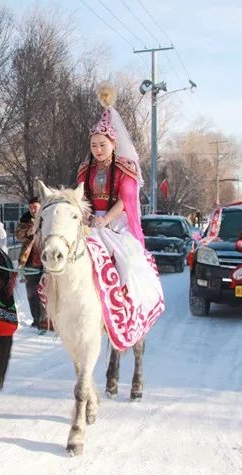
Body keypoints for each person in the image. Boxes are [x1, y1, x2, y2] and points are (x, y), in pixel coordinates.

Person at [76, 83, 163, 331]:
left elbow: (126, 201)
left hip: (116, 221)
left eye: (102, 145)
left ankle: (126, 302)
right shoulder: (86, 169)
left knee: (126, 260)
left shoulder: (125, 169)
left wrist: (105, 220)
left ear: (113, 143)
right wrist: (88, 217)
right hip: (90, 221)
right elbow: (81, 198)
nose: (98, 150)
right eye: (94, 145)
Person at [15, 196, 45, 330]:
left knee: (45, 292)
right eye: (31, 207)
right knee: (32, 292)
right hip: (30, 260)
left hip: (46, 261)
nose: (33, 210)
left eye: (35, 207)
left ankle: (46, 319)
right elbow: (18, 235)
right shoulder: (25, 219)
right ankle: (36, 319)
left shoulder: (47, 217)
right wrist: (28, 231)